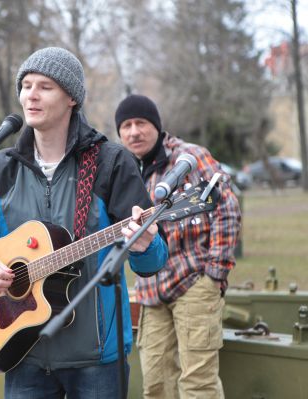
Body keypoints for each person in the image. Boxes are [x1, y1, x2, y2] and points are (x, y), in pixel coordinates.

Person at [0, 47, 168, 398]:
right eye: (25, 85)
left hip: (96, 358)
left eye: (45, 87)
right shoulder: (3, 167)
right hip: (23, 351)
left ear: (71, 98)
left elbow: (154, 261)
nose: (30, 95)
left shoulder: (110, 162)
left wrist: (145, 246)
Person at [114, 94, 242, 399]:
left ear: (157, 126)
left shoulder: (190, 157)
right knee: (155, 386)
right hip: (151, 291)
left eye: (141, 123)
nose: (134, 132)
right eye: (126, 126)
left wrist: (215, 273)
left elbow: (227, 206)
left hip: (194, 282)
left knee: (198, 386)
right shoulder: (125, 168)